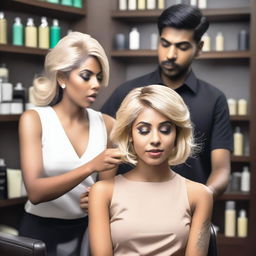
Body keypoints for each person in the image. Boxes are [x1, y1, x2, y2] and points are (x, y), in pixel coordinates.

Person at [101, 4, 232, 198]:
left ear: (199, 48)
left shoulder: (214, 100)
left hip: (188, 215)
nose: (171, 55)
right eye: (165, 44)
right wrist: (103, 197)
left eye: (182, 47)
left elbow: (221, 169)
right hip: (129, 208)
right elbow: (106, 152)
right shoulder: (127, 93)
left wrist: (202, 199)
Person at [18, 32, 123, 256]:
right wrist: (90, 166)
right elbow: (35, 192)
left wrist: (97, 198)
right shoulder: (34, 120)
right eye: (86, 76)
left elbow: (107, 193)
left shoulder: (107, 125)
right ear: (62, 78)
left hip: (87, 232)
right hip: (38, 233)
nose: (96, 84)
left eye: (98, 76)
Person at [89, 85, 213, 256]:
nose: (155, 139)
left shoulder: (200, 195)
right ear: (130, 134)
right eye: (144, 130)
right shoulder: (102, 192)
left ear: (177, 134)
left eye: (165, 130)